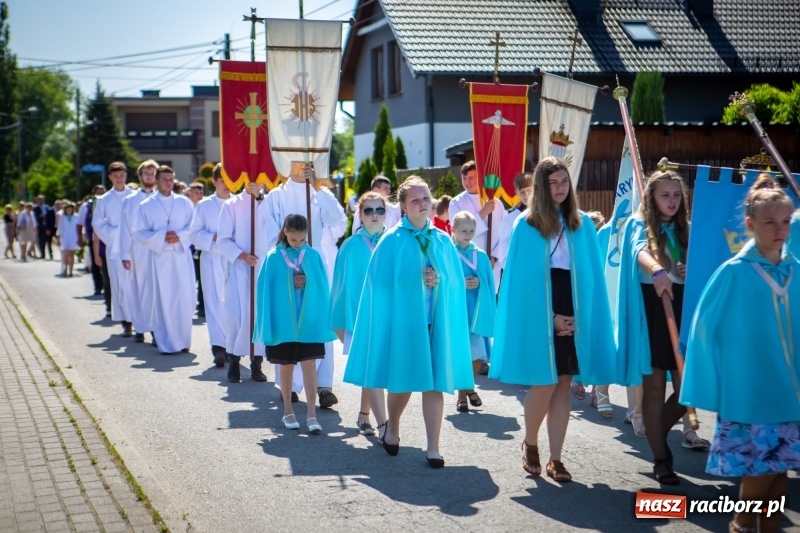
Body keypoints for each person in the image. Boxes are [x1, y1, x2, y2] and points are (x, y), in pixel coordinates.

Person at [490, 157, 618, 482]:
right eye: (553, 183)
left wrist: (578, 316)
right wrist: (551, 317)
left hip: (573, 304)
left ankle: (557, 458)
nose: (560, 188)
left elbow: (590, 279)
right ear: (542, 189)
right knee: (544, 381)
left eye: (564, 182)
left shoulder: (582, 223)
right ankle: (530, 444)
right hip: (540, 307)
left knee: (563, 383)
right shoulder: (527, 224)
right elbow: (521, 284)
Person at [681, 187, 799, 533]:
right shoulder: (735, 272)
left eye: (786, 221)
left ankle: (767, 529)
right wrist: (722, 377)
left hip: (789, 394)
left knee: (780, 471)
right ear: (749, 224)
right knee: (761, 469)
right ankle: (739, 524)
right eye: (769, 222)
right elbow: (705, 328)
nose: (779, 229)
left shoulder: (795, 271)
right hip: (752, 394)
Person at [344, 177, 474, 468]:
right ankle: (393, 428)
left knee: (435, 384)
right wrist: (411, 280)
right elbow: (378, 286)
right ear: (402, 206)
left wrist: (439, 279)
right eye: (415, 200)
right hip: (403, 324)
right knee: (401, 383)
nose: (422, 203)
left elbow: (455, 282)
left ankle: (434, 447)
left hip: (434, 322)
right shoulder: (391, 241)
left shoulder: (442, 239)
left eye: (426, 198)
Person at [616, 169, 690, 485]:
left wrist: (689, 267)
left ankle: (655, 433)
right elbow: (638, 251)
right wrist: (657, 268)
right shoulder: (640, 224)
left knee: (688, 389)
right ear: (652, 197)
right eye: (665, 195)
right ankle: (661, 458)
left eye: (676, 195)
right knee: (656, 386)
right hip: (652, 307)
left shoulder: (688, 229)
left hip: (682, 306)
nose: (671, 201)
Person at [264, 164, 347, 409]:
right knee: (289, 319)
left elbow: (339, 224)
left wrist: (318, 191)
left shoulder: (322, 192)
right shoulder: (276, 196)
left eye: (307, 162)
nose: (302, 167)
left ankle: (323, 386)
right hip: (286, 262)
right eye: (296, 161)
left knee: (319, 319)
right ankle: (288, 386)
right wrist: (288, 268)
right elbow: (270, 235)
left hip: (318, 262)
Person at [254, 214, 336, 434]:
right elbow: (267, 289)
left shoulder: (312, 255)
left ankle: (311, 413)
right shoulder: (273, 257)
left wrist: (306, 282)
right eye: (293, 240)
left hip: (308, 321)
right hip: (284, 322)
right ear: (286, 233)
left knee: (309, 364)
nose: (298, 244)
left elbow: (321, 285)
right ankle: (288, 411)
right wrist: (288, 283)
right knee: (287, 364)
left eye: (301, 240)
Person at [330, 191, 387, 436]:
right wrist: (345, 323)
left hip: (388, 315)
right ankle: (376, 419)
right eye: (368, 210)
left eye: (380, 210)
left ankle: (370, 416)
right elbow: (342, 288)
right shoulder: (351, 246)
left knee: (378, 368)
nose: (374, 215)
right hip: (359, 318)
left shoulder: (393, 241)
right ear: (359, 215)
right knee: (368, 366)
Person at [133, 165, 195, 354]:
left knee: (183, 298)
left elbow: (194, 227)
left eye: (171, 178)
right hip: (159, 260)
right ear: (157, 181)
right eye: (164, 179)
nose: (168, 182)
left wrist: (180, 236)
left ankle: (183, 341)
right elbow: (138, 232)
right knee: (162, 300)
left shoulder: (184, 203)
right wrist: (161, 236)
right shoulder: (146, 205)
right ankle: (166, 343)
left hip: (180, 257)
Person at [217, 181, 271, 383]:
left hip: (262, 265)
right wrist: (240, 255)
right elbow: (223, 239)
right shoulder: (231, 205)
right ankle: (234, 361)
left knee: (258, 314)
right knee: (236, 315)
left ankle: (257, 363)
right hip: (239, 268)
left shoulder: (267, 203)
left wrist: (259, 199)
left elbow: (275, 227)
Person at [451, 211, 495, 413]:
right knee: (461, 352)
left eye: (471, 230)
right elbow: (442, 280)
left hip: (476, 309)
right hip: (458, 310)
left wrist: (480, 283)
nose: (467, 234)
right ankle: (463, 394)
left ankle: (467, 387)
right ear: (454, 230)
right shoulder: (448, 253)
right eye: (463, 230)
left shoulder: (481, 255)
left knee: (478, 354)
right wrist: (461, 283)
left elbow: (490, 282)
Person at [189, 164, 231, 367]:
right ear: (214, 182)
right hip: (212, 257)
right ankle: (219, 347)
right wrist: (213, 237)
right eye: (222, 180)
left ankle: (233, 345)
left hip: (234, 260)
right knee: (214, 302)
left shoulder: (239, 203)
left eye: (229, 180)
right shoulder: (204, 206)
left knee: (233, 303)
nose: (226, 185)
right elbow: (194, 234)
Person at [448, 161, 506, 292]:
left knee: (488, 300)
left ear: (479, 178)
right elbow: (459, 232)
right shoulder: (456, 203)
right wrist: (483, 212)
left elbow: (504, 234)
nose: (467, 182)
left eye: (471, 178)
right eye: (464, 178)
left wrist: (495, 256)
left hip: (492, 262)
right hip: (466, 259)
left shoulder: (496, 203)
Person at [92, 162, 134, 333]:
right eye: (115, 176)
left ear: (126, 175)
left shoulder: (135, 196)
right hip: (115, 248)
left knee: (137, 284)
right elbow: (97, 224)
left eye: (121, 175)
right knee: (119, 285)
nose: (119, 179)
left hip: (134, 247)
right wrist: (119, 232)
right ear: (110, 177)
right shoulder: (104, 200)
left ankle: (140, 321)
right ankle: (126, 321)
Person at [119, 161, 158, 343]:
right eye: (146, 173)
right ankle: (140, 327)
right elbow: (124, 229)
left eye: (153, 173)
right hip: (137, 251)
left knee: (157, 291)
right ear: (140, 176)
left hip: (159, 250)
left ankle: (158, 329)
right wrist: (125, 255)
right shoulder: (130, 200)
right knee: (138, 289)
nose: (150, 176)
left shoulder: (162, 198)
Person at [496, 172, 533, 273]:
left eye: (529, 190)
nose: (526, 195)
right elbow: (503, 253)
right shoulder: (509, 218)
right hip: (519, 270)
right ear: (516, 192)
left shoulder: (545, 213)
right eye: (522, 192)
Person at [77, 185, 106, 295]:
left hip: (108, 239)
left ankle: (107, 286)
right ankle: (98, 287)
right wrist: (79, 238)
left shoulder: (108, 203)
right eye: (98, 193)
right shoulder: (86, 206)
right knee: (96, 263)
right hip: (93, 238)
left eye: (102, 192)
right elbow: (79, 224)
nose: (100, 195)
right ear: (93, 193)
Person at [187, 181, 206, 317]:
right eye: (196, 192)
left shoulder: (204, 206)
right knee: (191, 278)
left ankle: (201, 304)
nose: (198, 195)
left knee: (201, 277)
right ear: (190, 193)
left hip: (200, 247)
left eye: (200, 192)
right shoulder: (186, 206)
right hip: (187, 247)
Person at [57, 202, 79, 277]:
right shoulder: (62, 217)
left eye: (70, 209)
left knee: (71, 255)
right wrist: (58, 238)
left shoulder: (76, 216)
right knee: (65, 254)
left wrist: (81, 237)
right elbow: (60, 228)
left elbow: (79, 228)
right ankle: (65, 269)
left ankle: (71, 271)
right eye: (68, 209)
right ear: (65, 210)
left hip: (73, 237)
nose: (69, 210)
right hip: (64, 237)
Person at [33, 195, 56, 260]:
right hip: (40, 227)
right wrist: (40, 216)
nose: (41, 201)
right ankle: (42, 254)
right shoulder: (35, 208)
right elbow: (34, 218)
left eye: (42, 199)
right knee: (41, 241)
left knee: (49, 241)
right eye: (39, 199)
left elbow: (52, 218)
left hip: (47, 227)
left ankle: (51, 255)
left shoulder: (48, 207)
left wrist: (50, 228)